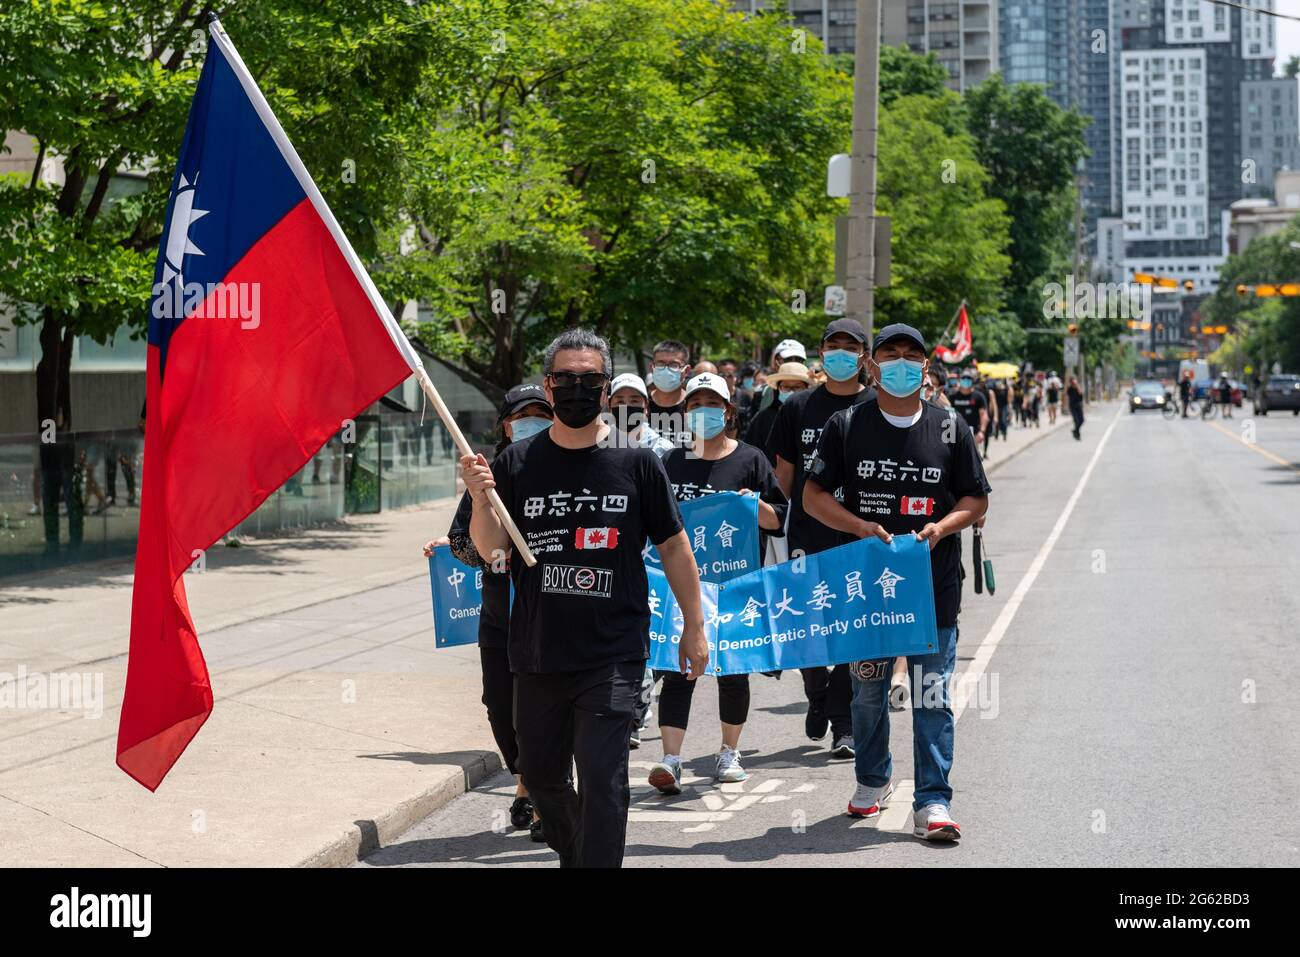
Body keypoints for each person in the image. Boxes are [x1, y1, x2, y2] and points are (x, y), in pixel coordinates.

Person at [461, 327, 708, 868]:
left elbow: (674, 545)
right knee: (544, 780)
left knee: (603, 780)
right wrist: (482, 500)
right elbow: (491, 549)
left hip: (613, 652)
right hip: (537, 652)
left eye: (589, 379)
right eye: (565, 378)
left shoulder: (637, 462)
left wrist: (694, 626)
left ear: (605, 388)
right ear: (548, 387)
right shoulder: (517, 464)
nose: (577, 388)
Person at [803, 322, 991, 841]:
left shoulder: (951, 428)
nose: (901, 362)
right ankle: (872, 779)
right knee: (867, 693)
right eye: (891, 354)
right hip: (869, 590)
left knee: (932, 694)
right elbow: (813, 495)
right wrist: (859, 526)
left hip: (934, 587)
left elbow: (976, 500)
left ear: (925, 367)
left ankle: (933, 801)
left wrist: (941, 528)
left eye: (912, 355)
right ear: (874, 364)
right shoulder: (846, 425)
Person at [647, 372, 789, 794]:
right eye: (694, 405)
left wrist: (753, 505)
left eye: (712, 404)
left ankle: (729, 752)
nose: (701, 412)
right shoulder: (670, 462)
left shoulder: (750, 460)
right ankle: (671, 760)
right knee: (678, 669)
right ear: (683, 412)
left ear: (728, 412)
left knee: (732, 671)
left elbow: (779, 519)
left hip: (735, 584)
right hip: (681, 584)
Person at [427, 383, 554, 842]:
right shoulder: (491, 473)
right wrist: (479, 530)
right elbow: (462, 541)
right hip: (500, 614)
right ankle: (525, 779)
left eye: (542, 412)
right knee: (500, 708)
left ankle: (543, 797)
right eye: (524, 415)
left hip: (551, 615)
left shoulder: (565, 468)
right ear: (506, 424)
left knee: (539, 710)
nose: (532, 422)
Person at [769, 319, 875, 759]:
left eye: (850, 347)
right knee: (810, 626)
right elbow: (784, 476)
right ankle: (817, 691)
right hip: (806, 533)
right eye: (833, 346)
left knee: (853, 628)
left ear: (864, 357)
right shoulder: (797, 406)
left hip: (860, 533)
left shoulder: (875, 404)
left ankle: (842, 722)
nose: (841, 354)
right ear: (821, 353)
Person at [745, 361, 811, 463]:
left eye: (797, 387)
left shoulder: (815, 416)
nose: (791, 392)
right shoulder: (763, 418)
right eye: (785, 387)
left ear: (807, 388)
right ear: (778, 388)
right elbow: (750, 452)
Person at [608, 373, 676, 458]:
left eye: (634, 401)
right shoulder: (598, 446)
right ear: (610, 406)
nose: (627, 406)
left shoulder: (664, 449)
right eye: (620, 402)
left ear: (646, 406)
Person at [647, 339, 692, 430]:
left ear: (686, 371)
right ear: (652, 368)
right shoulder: (642, 404)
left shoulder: (694, 405)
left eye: (674, 365)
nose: (666, 370)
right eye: (660, 364)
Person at [949, 370, 989, 457]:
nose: (966, 380)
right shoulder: (952, 396)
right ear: (960, 380)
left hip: (973, 434)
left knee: (973, 459)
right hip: (955, 433)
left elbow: (984, 415)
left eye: (968, 378)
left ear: (972, 381)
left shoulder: (978, 396)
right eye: (964, 378)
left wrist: (982, 432)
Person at [1067, 375, 1085, 440]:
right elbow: (1067, 394)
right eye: (1072, 381)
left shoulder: (1078, 387)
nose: (1074, 382)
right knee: (1076, 421)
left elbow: (1081, 394)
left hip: (1078, 406)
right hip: (1072, 406)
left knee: (1082, 420)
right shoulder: (1070, 388)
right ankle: (1077, 435)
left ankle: (1075, 431)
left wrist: (1077, 385)